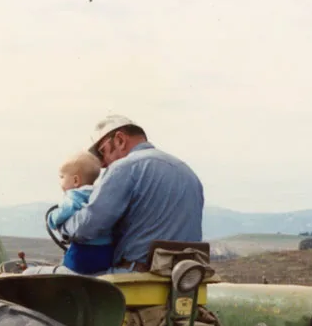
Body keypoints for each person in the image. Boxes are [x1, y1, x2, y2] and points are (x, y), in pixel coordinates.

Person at [57, 115, 205, 273]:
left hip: (135, 276)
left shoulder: (124, 168)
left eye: (102, 152)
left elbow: (89, 227)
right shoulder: (187, 172)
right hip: (184, 276)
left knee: (35, 275)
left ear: (120, 140)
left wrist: (61, 222)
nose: (102, 164)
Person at [47, 151, 115, 274]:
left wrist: (52, 218)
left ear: (76, 180)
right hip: (105, 251)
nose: (60, 182)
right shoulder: (98, 194)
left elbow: (66, 210)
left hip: (83, 251)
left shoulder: (74, 195)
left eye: (62, 177)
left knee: (69, 270)